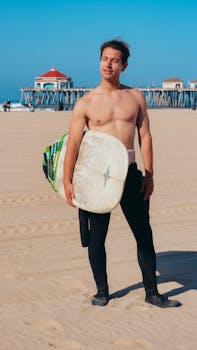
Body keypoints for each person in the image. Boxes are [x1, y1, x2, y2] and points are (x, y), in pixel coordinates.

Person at [63, 39, 181, 308]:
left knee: (143, 233)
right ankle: (102, 291)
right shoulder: (85, 102)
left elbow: (145, 136)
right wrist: (68, 180)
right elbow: (73, 144)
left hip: (128, 173)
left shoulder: (135, 97)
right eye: (105, 58)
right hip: (95, 177)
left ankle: (152, 292)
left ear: (124, 65)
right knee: (97, 236)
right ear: (100, 61)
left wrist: (150, 174)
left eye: (115, 60)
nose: (108, 63)